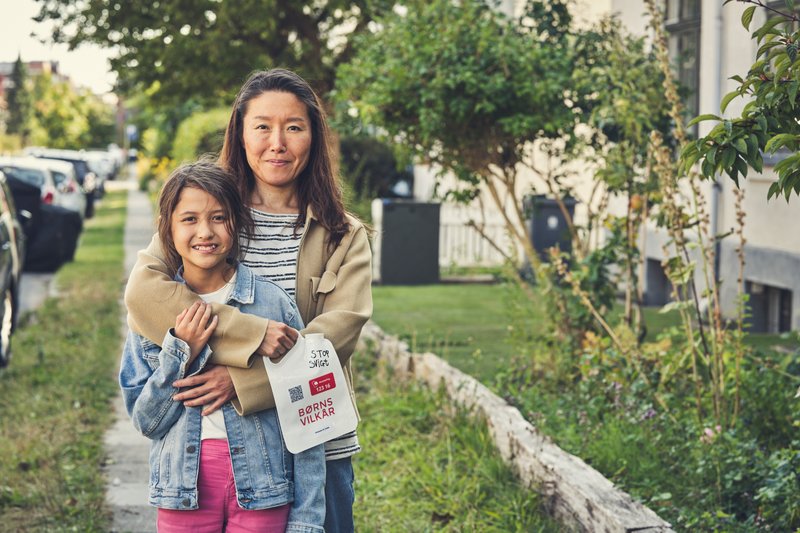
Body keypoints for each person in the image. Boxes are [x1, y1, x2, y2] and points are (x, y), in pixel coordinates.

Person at [124, 68, 373, 532]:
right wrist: (252, 335)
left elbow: (334, 337)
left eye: (293, 127)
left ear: (314, 138)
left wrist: (242, 384)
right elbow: (144, 295)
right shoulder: (208, 214)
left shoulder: (344, 234)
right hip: (221, 451)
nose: (277, 142)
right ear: (240, 133)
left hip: (312, 438)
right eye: (262, 126)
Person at [120, 161, 325, 532]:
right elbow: (146, 420)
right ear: (167, 227)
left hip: (266, 488)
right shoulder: (149, 312)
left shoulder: (272, 305)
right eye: (189, 219)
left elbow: (308, 415)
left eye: (219, 217)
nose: (205, 232)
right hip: (184, 493)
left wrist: (307, 520)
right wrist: (180, 351)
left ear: (238, 222)